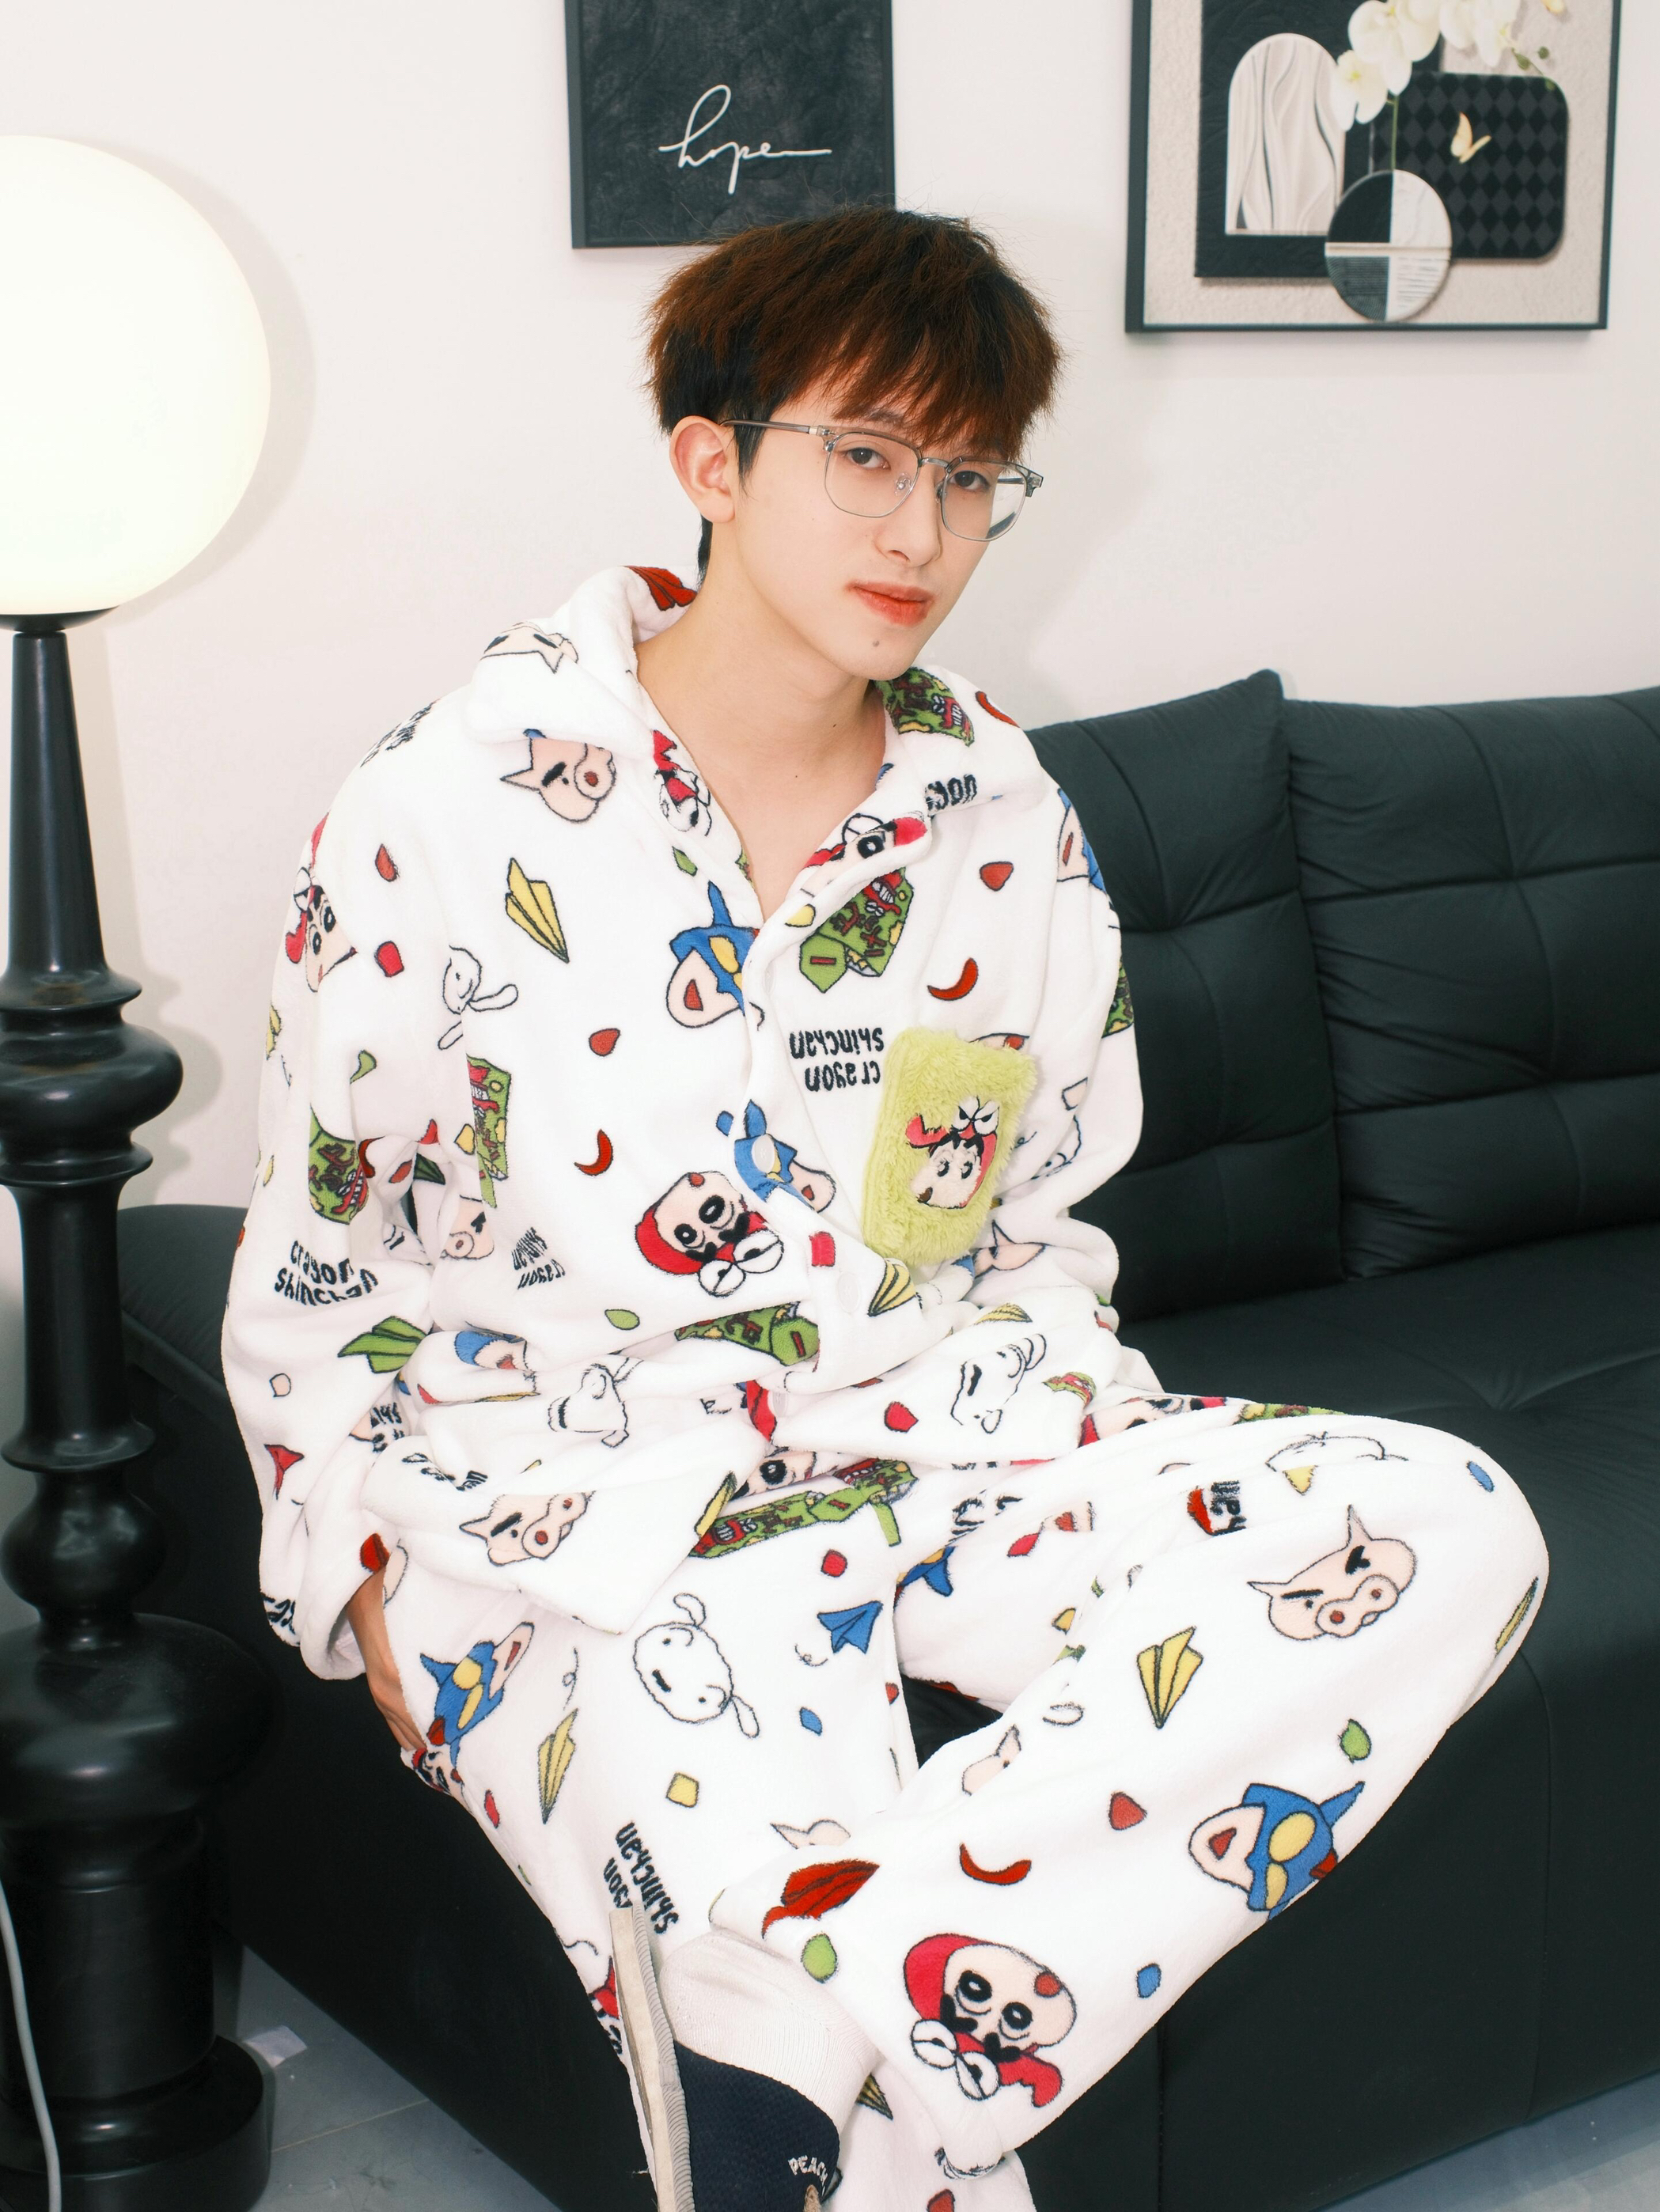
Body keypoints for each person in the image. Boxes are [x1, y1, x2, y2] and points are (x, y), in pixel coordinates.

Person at [222, 207, 1548, 2212]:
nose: (919, 530)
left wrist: (1055, 1402)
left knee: (1442, 1521)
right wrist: (351, 1556)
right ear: (708, 459)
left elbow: (1030, 1213)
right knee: (836, 2117)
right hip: (601, 1507)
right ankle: (800, 2026)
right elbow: (326, 1257)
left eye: (969, 476)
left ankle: (794, 1996)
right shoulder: (445, 809)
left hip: (955, 1433)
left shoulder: (1004, 819)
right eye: (863, 453)